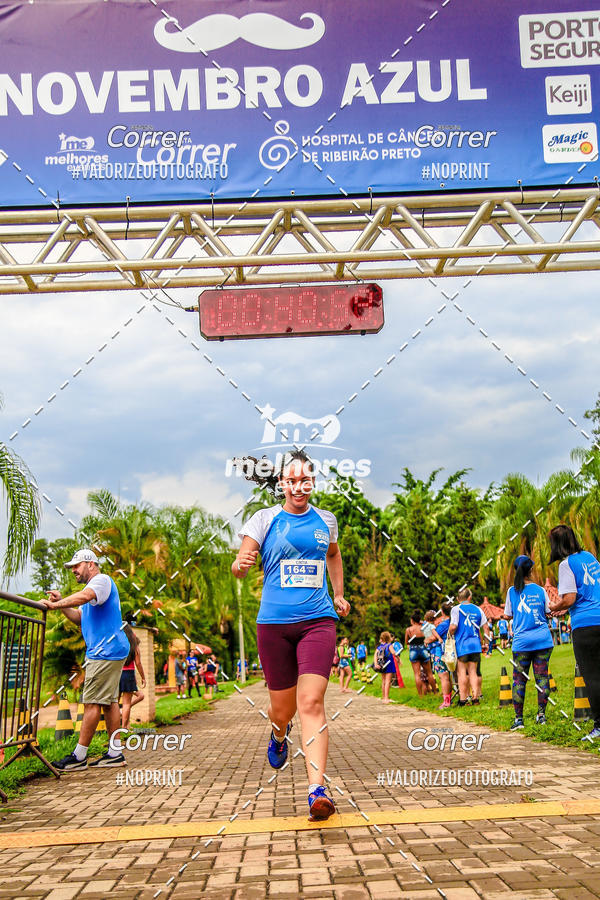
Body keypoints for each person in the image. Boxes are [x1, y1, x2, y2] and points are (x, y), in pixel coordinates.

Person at [233, 450, 349, 822]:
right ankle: (279, 733)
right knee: (283, 710)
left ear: (313, 482)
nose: (299, 487)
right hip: (274, 626)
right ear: (282, 483)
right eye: (292, 480)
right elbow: (240, 564)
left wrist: (339, 593)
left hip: (318, 620)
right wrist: (241, 564)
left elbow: (333, 555)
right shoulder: (264, 520)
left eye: (306, 480)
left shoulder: (325, 520)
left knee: (311, 702)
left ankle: (318, 790)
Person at [42, 548, 129, 770]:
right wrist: (62, 604)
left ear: (91, 564)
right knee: (109, 703)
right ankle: (115, 753)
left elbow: (85, 596)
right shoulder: (92, 589)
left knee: (91, 702)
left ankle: (79, 756)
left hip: (105, 652)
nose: (74, 571)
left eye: (77, 566)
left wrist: (54, 604)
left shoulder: (100, 581)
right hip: (109, 651)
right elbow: (79, 617)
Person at [549, 525, 600, 741]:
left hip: (586, 626)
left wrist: (553, 607)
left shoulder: (565, 564)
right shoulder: (589, 556)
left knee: (592, 676)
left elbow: (570, 598)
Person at [504, 555, 553, 731]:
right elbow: (548, 611)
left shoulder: (512, 591)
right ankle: (541, 716)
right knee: (542, 678)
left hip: (521, 643)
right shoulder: (541, 590)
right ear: (530, 570)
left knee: (519, 681)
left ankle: (519, 720)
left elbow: (508, 614)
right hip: (543, 640)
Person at [448, 588, 490, 706]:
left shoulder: (456, 609)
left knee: (462, 672)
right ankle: (475, 698)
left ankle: (463, 699)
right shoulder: (478, 609)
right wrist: (486, 643)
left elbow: (453, 627)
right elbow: (486, 627)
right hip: (475, 644)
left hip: (462, 644)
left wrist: (449, 636)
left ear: (457, 599)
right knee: (473, 672)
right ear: (469, 597)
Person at [120, 623, 146, 730]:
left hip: (116, 673)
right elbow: (138, 663)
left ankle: (114, 730)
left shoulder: (118, 642)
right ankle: (124, 728)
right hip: (128, 673)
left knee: (114, 703)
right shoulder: (133, 643)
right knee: (126, 703)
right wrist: (143, 677)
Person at [404, 612, 437, 695]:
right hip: (424, 650)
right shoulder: (423, 627)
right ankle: (435, 692)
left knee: (417, 674)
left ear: (412, 620)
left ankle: (420, 695)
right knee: (429, 673)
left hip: (413, 651)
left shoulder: (408, 630)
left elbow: (406, 642)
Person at [432, 604, 453, 708]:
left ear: (442, 612)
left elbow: (432, 637)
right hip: (453, 653)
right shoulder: (455, 623)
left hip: (441, 652)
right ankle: (450, 698)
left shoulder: (444, 624)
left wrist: (427, 640)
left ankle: (446, 702)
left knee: (443, 677)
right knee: (449, 677)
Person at [374, 630, 397, 703]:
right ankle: (386, 698)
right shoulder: (389, 645)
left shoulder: (379, 647)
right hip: (389, 664)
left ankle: (383, 697)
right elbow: (393, 653)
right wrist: (398, 657)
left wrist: (376, 664)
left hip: (381, 664)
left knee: (383, 681)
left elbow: (375, 655)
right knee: (388, 681)